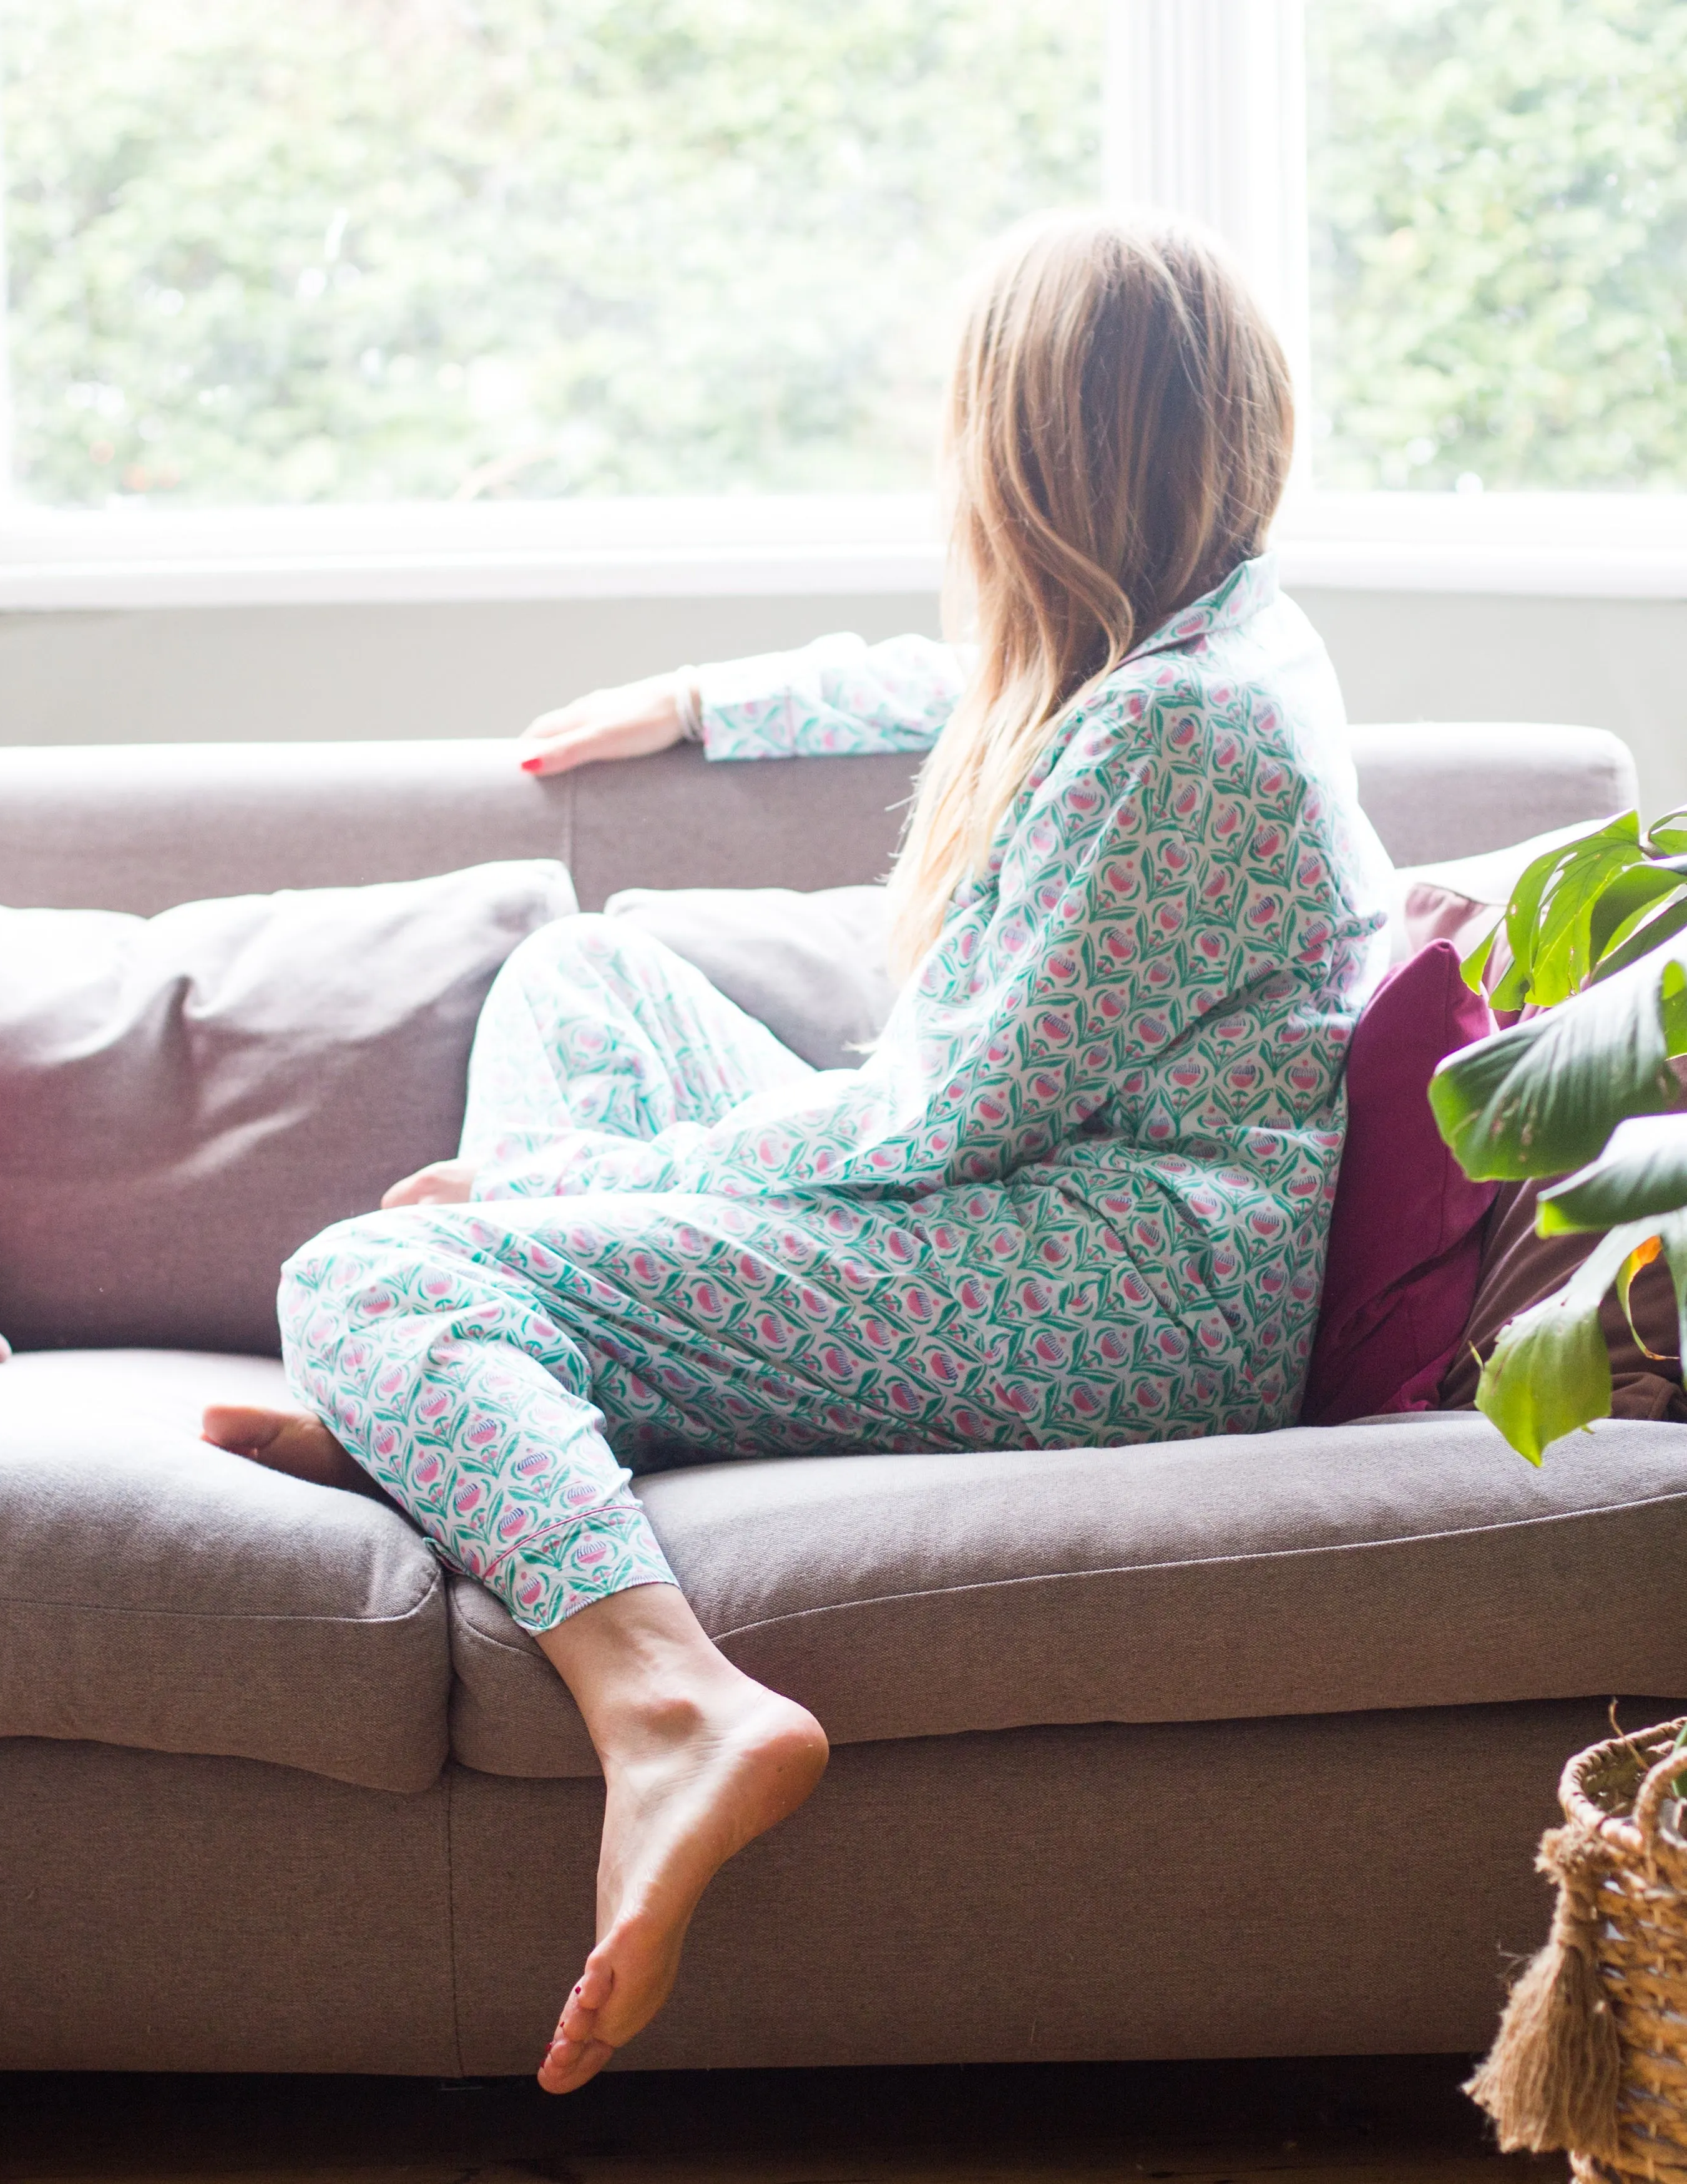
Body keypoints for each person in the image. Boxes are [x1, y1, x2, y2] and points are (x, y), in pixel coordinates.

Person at [202, 210, 1392, 2095]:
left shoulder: (1184, 730)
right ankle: (504, 1390)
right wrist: (710, 704)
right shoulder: (1178, 638)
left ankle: (669, 1698)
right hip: (1052, 1206)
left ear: (1026, 457)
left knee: (370, 1271)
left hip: (1129, 1286)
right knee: (581, 973)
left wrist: (556, 1198)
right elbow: (950, 691)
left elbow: (936, 1119)